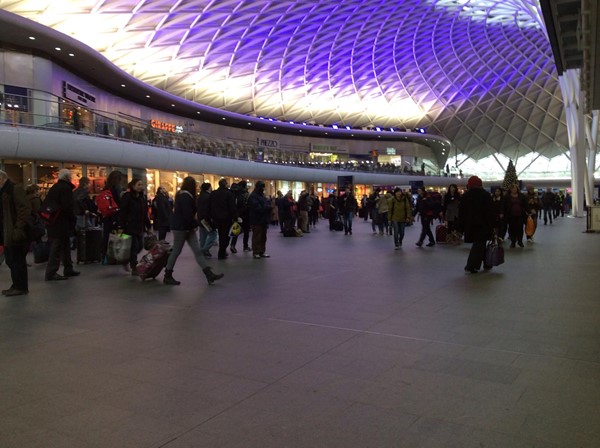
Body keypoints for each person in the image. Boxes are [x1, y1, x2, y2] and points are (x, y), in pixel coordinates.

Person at [163, 177, 223, 285]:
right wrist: (194, 224)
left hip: (184, 227)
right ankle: (167, 274)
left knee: (195, 251)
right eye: (195, 185)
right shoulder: (186, 196)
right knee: (178, 251)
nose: (196, 187)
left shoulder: (181, 194)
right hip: (183, 228)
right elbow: (187, 214)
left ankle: (209, 274)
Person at [44, 169, 79, 281]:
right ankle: (52, 272)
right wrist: (73, 220)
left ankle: (68, 268)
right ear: (67, 178)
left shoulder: (54, 188)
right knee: (58, 246)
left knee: (63, 245)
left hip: (53, 221)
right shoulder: (65, 189)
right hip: (61, 222)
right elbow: (67, 207)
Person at [0, 170, 31, 295]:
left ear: (2, 178)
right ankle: (16, 284)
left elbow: (24, 208)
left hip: (14, 231)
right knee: (10, 259)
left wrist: (18, 227)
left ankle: (21, 286)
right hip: (6, 230)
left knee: (16, 259)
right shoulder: (4, 191)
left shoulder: (14, 189)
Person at [458, 176, 494, 274]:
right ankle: (471, 266)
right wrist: (493, 224)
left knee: (479, 244)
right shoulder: (486, 195)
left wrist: (460, 227)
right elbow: (490, 211)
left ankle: (487, 264)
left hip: (470, 224)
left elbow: (461, 212)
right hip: (483, 224)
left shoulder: (466, 196)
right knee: (479, 244)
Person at [119, 178, 150, 275]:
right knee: (134, 246)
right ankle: (134, 267)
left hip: (139, 226)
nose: (141, 187)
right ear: (133, 186)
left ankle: (127, 259)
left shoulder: (142, 198)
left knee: (140, 246)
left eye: (141, 184)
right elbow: (123, 211)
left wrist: (148, 226)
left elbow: (144, 213)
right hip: (129, 226)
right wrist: (121, 225)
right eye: (138, 185)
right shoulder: (127, 197)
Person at [207, 178, 237, 260]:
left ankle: (222, 251)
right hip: (226, 218)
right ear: (225, 184)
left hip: (216, 218)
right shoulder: (229, 194)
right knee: (226, 235)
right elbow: (232, 207)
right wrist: (235, 217)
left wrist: (211, 216)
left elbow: (209, 206)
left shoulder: (213, 193)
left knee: (220, 234)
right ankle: (221, 252)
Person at [100, 170, 124, 262]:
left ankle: (104, 256)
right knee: (116, 236)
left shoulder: (106, 188)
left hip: (107, 215)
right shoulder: (117, 188)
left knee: (106, 235)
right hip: (115, 215)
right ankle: (113, 256)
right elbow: (119, 202)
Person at [247, 181, 272, 259]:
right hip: (256, 219)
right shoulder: (253, 196)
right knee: (257, 236)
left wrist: (267, 207)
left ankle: (261, 251)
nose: (263, 188)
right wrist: (267, 207)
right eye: (262, 187)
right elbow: (256, 207)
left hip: (263, 219)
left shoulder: (261, 195)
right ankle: (256, 252)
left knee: (263, 236)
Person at [230, 180, 251, 253]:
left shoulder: (235, 194)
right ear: (244, 186)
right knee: (246, 232)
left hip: (237, 215)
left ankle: (232, 245)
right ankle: (245, 246)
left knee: (236, 231)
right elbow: (247, 205)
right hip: (245, 215)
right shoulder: (245, 194)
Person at [196, 182, 213, 257]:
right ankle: (204, 250)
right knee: (213, 235)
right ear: (208, 188)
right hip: (206, 219)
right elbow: (207, 209)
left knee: (203, 236)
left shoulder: (200, 196)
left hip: (200, 218)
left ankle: (203, 251)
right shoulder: (208, 197)